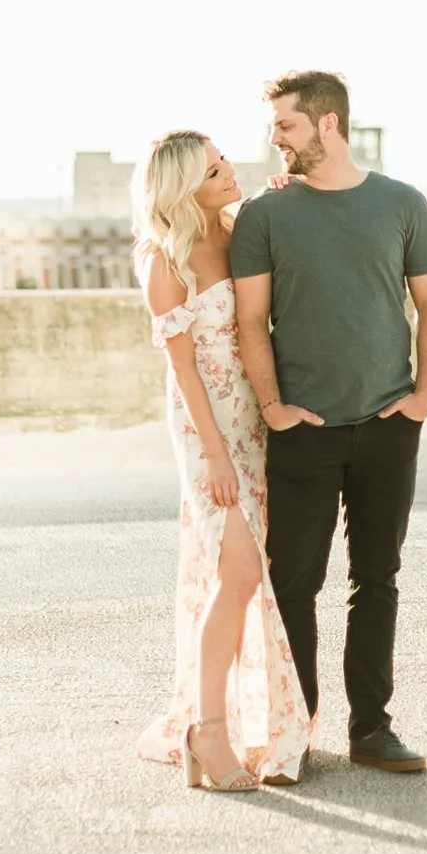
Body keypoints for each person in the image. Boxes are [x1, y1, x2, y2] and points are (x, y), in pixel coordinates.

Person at [231, 71, 427, 774]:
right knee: (294, 586)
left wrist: (422, 399)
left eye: (286, 125)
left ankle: (371, 730)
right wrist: (274, 408)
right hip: (303, 430)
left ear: (328, 123)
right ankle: (294, 732)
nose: (275, 138)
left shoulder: (403, 203)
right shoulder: (266, 215)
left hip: (388, 423)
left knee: (377, 579)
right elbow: (250, 321)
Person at [132, 130, 310, 791]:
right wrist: (213, 457)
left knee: (239, 577)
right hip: (205, 429)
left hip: (254, 422)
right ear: (184, 189)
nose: (228, 171)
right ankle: (207, 729)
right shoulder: (165, 260)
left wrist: (288, 199)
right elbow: (183, 372)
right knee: (238, 571)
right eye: (212, 171)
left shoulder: (240, 230)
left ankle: (217, 725)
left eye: (223, 159)